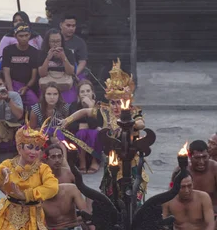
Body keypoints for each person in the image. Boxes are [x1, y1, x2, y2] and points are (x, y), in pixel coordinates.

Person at [61, 59, 148, 203]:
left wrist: (131, 125)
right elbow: (84, 111)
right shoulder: (105, 112)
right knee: (111, 192)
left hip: (131, 160)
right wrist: (68, 120)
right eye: (112, 102)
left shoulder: (133, 113)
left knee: (133, 194)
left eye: (118, 102)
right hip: (111, 159)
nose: (115, 106)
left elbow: (141, 124)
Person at [174, 140, 217, 230]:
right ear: (190, 156)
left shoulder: (216, 168)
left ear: (208, 154)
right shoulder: (181, 170)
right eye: (197, 158)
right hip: (189, 218)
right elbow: (171, 195)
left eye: (204, 157)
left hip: (211, 216)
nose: (201, 162)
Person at [65, 80, 101, 174]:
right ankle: (82, 162)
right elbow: (71, 124)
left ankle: (95, 161)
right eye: (82, 92)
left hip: (94, 134)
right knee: (82, 132)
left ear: (92, 92)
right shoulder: (74, 105)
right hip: (79, 135)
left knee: (95, 132)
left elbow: (95, 125)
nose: (85, 94)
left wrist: (90, 106)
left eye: (88, 91)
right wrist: (82, 126)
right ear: (78, 95)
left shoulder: (99, 105)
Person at [2, 22, 40, 107]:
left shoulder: (34, 52)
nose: (24, 38)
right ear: (15, 36)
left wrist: (26, 87)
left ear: (30, 35)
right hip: (11, 83)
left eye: (26, 35)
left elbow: (34, 77)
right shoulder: (8, 50)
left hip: (27, 86)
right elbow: (6, 72)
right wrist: (11, 90)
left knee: (35, 103)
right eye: (21, 36)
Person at [38, 28, 77, 103]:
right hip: (47, 85)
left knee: (68, 102)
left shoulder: (68, 52)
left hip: (65, 85)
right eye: (52, 41)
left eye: (58, 41)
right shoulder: (42, 53)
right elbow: (42, 74)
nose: (55, 44)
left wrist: (63, 58)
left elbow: (71, 72)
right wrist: (47, 58)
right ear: (48, 42)